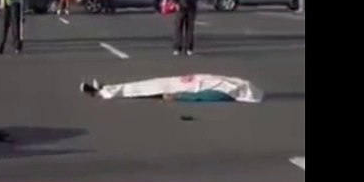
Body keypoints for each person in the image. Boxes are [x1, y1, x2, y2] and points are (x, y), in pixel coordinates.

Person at [80, 74, 263, 102]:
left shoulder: (226, 93)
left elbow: (202, 97)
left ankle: (101, 92)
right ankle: (107, 88)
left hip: (181, 88)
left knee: (144, 90)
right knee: (145, 85)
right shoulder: (230, 83)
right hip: (182, 81)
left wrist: (180, 97)